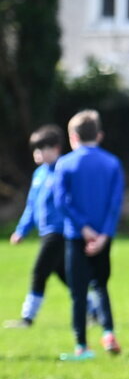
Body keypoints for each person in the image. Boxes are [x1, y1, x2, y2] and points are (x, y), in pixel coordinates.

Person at [54, 110, 125, 361]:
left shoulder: (65, 164)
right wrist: (104, 234)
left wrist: (84, 229)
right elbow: (115, 203)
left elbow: (61, 201)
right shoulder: (113, 163)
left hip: (77, 236)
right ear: (100, 135)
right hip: (104, 237)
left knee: (78, 292)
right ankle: (108, 333)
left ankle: (82, 346)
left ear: (73, 136)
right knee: (101, 286)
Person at [6, 126, 69, 329]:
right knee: (66, 276)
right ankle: (94, 308)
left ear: (57, 148)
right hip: (45, 231)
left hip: (59, 231)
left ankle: (27, 317)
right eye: (36, 149)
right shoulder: (39, 175)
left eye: (42, 149)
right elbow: (32, 206)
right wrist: (21, 230)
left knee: (39, 272)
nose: (38, 154)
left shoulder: (64, 171)